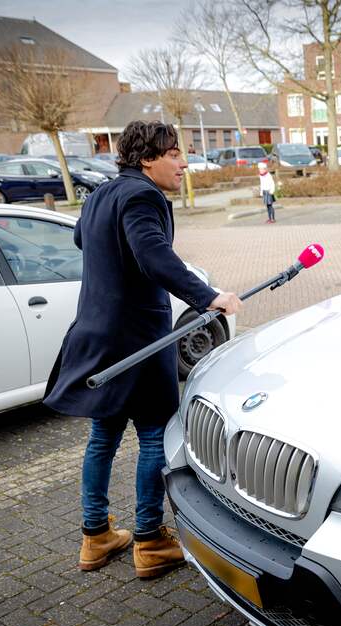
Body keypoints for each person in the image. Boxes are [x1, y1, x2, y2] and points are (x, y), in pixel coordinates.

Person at [43, 120, 242, 578]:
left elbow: (81, 239)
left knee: (104, 436)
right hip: (137, 340)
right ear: (147, 158)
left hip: (96, 332)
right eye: (175, 154)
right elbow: (153, 255)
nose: (184, 162)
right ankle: (149, 540)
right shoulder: (143, 196)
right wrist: (209, 295)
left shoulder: (99, 196)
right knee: (154, 433)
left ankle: (96, 537)